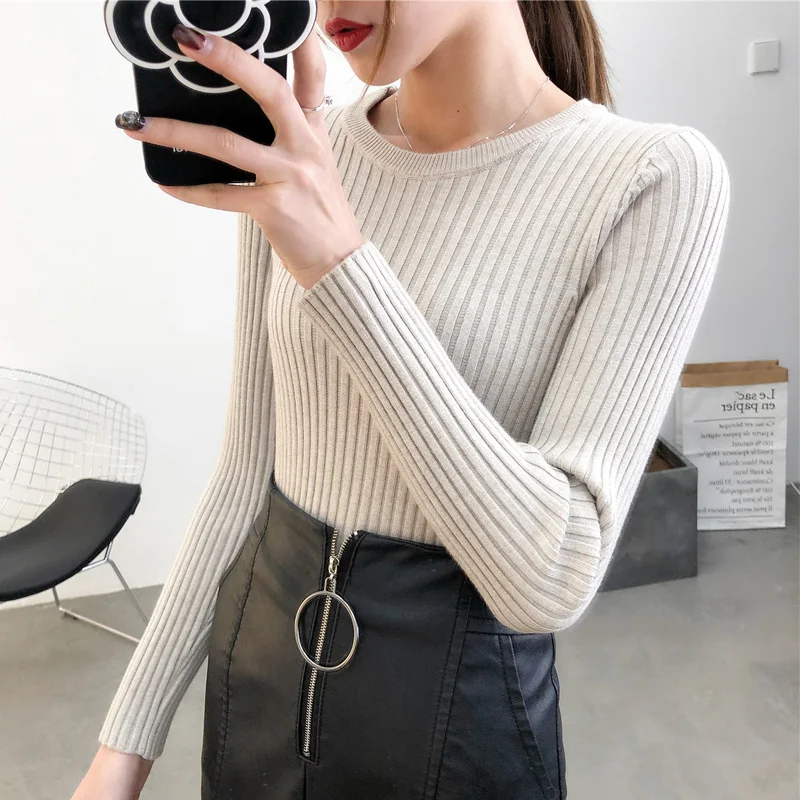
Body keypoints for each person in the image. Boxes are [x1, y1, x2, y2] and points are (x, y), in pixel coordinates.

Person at [73, 1, 731, 797]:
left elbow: (551, 576)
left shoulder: (653, 177)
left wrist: (338, 262)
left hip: (455, 738)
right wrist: (123, 749)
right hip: (255, 698)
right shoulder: (304, 151)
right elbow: (244, 474)